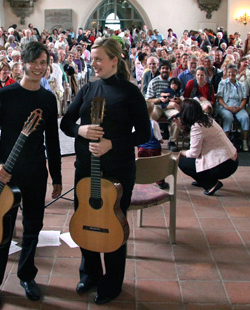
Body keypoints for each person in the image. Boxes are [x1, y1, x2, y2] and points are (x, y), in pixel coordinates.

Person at [61, 37, 150, 305]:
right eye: (92, 58)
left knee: (113, 224)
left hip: (118, 170)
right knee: (85, 219)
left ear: (114, 60)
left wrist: (113, 143)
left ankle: (112, 281)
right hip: (86, 169)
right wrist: (81, 130)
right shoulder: (87, 90)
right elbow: (65, 123)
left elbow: (144, 133)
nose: (94, 63)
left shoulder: (129, 92)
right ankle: (90, 273)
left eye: (99, 58)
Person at [0, 41, 62, 310]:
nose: (39, 67)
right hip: (7, 172)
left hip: (36, 171)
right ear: (23, 64)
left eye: (43, 63)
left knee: (32, 228)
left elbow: (53, 141)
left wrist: (58, 177)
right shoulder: (5, 95)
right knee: (2, 230)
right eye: (34, 62)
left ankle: (27, 276)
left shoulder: (48, 99)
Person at [175, 98, 238, 196]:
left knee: (183, 162)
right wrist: (181, 127)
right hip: (231, 160)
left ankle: (211, 183)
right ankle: (203, 180)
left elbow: (194, 153)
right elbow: (196, 139)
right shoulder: (205, 118)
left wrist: (181, 152)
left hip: (224, 165)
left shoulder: (197, 126)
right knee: (194, 160)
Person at [216, 64, 250, 151]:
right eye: (229, 72)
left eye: (233, 72)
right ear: (227, 73)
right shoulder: (222, 83)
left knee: (245, 117)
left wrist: (239, 108)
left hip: (238, 107)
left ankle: (244, 142)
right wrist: (227, 107)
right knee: (228, 117)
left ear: (237, 73)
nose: (231, 74)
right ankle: (225, 143)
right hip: (225, 106)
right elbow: (219, 98)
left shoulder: (241, 84)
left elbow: (244, 99)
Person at [138, 102, 168, 189]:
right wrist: (161, 140)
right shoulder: (154, 123)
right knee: (156, 165)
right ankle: (160, 182)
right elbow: (158, 136)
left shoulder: (137, 122)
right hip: (153, 148)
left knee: (142, 164)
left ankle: (142, 180)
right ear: (151, 112)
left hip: (142, 148)